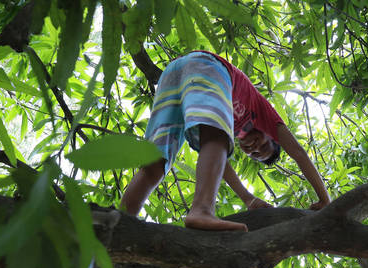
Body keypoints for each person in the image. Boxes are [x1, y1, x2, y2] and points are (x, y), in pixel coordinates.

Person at [120, 51, 331, 231]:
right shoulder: (263, 112)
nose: (256, 148)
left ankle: (122, 222)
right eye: (265, 145)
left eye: (255, 154)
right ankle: (202, 209)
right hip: (207, 65)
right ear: (271, 135)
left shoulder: (225, 134)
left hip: (173, 74)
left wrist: (248, 198)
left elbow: (221, 167)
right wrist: (325, 200)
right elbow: (299, 153)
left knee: (155, 161)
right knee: (217, 136)